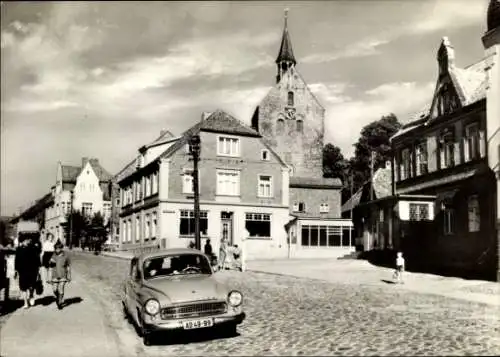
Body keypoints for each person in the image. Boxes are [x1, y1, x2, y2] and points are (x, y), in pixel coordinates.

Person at [15, 237, 41, 308]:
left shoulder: (33, 248)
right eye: (25, 240)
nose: (27, 242)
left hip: (32, 270)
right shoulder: (19, 249)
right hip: (22, 270)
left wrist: (38, 269)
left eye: (27, 240)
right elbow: (17, 260)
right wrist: (16, 270)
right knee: (23, 287)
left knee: (31, 286)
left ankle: (31, 295)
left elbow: (37, 259)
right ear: (22, 241)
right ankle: (25, 303)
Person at [49, 240, 71, 310]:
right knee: (55, 290)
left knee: (61, 289)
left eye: (58, 248)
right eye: (56, 248)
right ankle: (58, 297)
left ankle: (60, 302)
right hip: (55, 275)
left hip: (63, 275)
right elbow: (49, 265)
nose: (57, 250)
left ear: (61, 248)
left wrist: (69, 276)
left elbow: (68, 266)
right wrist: (50, 262)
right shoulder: (53, 255)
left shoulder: (66, 256)